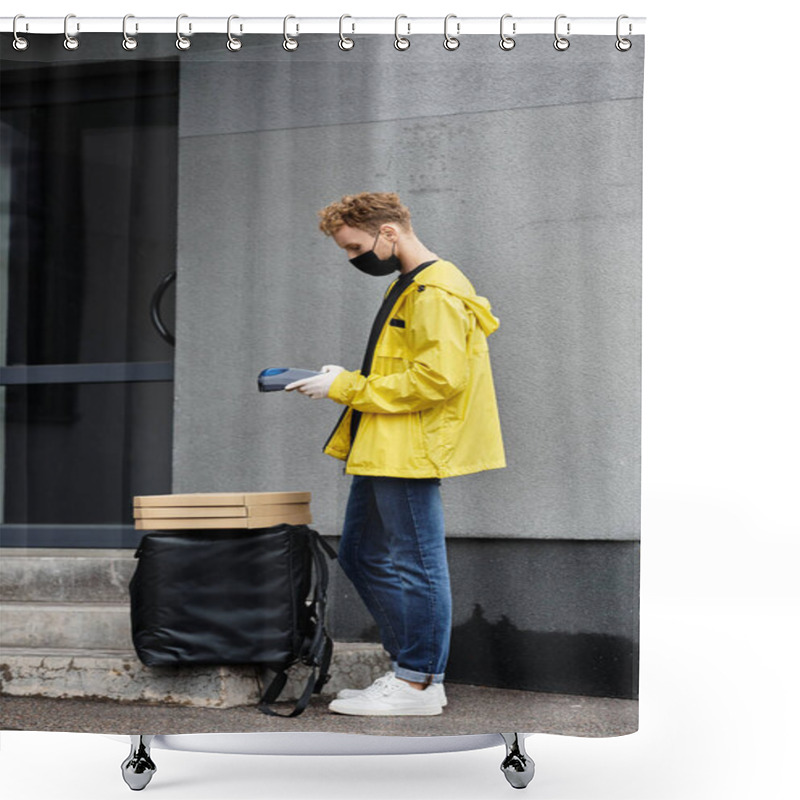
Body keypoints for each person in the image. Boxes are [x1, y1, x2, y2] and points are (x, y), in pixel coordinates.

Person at [286, 192, 505, 716]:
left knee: (417, 563)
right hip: (383, 444)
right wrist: (340, 379)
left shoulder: (434, 291)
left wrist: (347, 388)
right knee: (362, 555)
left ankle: (418, 683)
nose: (352, 258)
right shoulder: (408, 285)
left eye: (355, 246)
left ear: (388, 233)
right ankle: (410, 668)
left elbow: (439, 379)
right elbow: (405, 368)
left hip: (409, 447)